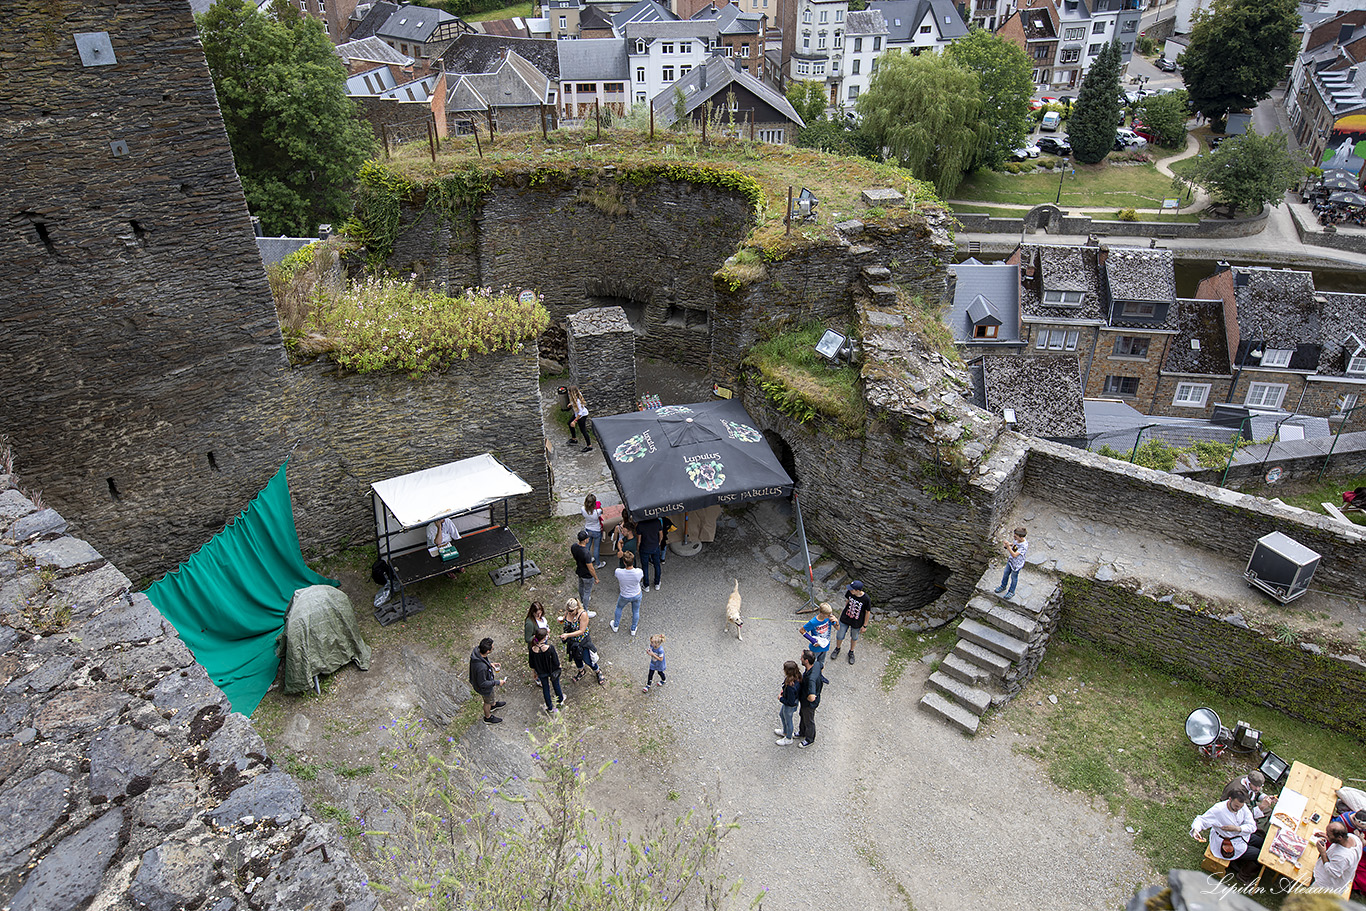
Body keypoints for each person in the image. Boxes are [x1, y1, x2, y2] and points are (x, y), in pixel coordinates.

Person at [1191, 787, 1257, 881]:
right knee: (1257, 854)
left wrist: (1237, 828)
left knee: (1261, 842)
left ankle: (1239, 862)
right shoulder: (1218, 810)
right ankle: (1243, 875)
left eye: (1240, 807)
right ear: (1230, 799)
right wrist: (1196, 830)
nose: (1238, 809)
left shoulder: (1242, 807)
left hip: (1241, 834)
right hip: (1226, 841)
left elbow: (1252, 826)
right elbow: (1202, 820)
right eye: (1236, 806)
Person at [560, 598, 604, 685]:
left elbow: (581, 631)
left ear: (576, 608)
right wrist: (561, 620)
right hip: (572, 642)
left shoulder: (583, 614)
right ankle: (581, 671)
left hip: (582, 641)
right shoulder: (568, 612)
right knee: (576, 658)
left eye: (571, 611)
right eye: (568, 611)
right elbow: (565, 621)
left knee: (588, 659)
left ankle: (598, 671)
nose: (569, 613)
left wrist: (567, 635)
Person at [1313, 821, 1363, 894]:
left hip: (1327, 886)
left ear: (1339, 837)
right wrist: (1327, 837)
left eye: (1329, 835)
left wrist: (1323, 853)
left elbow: (1333, 872)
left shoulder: (1343, 857)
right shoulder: (1353, 838)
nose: (1327, 835)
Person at [832, 581, 871, 666]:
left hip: (857, 622)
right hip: (845, 618)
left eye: (852, 589)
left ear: (857, 590)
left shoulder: (866, 599)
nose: (850, 590)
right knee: (840, 635)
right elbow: (847, 601)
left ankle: (851, 652)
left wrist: (865, 625)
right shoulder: (850, 593)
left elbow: (867, 612)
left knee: (854, 637)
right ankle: (837, 648)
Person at [468, 637, 506, 724]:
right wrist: (497, 682)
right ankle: (488, 717)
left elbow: (483, 661)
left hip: (486, 682)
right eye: (492, 647)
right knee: (487, 701)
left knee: (490, 697)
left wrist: (490, 664)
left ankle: (493, 705)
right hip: (484, 688)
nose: (493, 648)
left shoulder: (477, 652)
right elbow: (483, 683)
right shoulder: (482, 668)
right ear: (488, 651)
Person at [528, 629, 565, 715]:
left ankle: (550, 707)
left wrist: (534, 673)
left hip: (541, 672)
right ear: (544, 638)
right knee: (556, 685)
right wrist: (559, 667)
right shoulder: (550, 648)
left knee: (545, 688)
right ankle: (560, 701)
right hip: (552, 671)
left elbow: (532, 664)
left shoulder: (532, 649)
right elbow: (556, 661)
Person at [795, 649, 827, 749]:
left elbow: (812, 697)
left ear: (806, 661)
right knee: (802, 715)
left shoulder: (811, 679)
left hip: (809, 704)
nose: (800, 659)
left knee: (809, 720)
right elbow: (822, 666)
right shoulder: (816, 664)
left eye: (802, 658)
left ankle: (809, 739)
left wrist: (808, 698)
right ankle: (802, 732)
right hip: (804, 701)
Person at [612, 551, 644, 635]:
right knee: (636, 611)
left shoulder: (618, 572)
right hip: (636, 594)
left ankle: (616, 626)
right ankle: (633, 629)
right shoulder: (639, 572)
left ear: (624, 562)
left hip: (624, 595)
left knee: (619, 608)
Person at [994, 527, 1029, 598]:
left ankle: (1011, 591)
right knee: (1006, 573)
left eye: (1015, 536)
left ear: (1021, 537)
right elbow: (1014, 545)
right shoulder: (1017, 540)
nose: (1014, 537)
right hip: (1011, 561)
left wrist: (1008, 547)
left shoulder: (1024, 546)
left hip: (1017, 564)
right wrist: (1008, 545)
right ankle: (1003, 586)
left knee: (1014, 577)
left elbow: (1014, 555)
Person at [801, 602, 836, 670]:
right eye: (828, 615)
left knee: (821, 663)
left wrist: (836, 622)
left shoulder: (829, 618)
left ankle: (819, 676)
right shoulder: (813, 622)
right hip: (815, 649)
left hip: (825, 645)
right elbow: (802, 630)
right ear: (822, 614)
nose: (830, 616)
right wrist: (813, 641)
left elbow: (837, 628)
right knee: (811, 664)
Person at [774, 660, 800, 745]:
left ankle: (789, 738)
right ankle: (785, 732)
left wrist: (781, 698)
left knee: (788, 721)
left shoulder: (791, 687)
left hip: (789, 705)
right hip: (790, 702)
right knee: (782, 715)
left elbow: (790, 702)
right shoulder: (797, 677)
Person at [636, 514, 664, 592]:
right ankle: (657, 583)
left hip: (644, 548)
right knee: (657, 565)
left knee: (645, 567)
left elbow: (639, 540)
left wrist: (638, 548)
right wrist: (658, 543)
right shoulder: (657, 522)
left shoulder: (640, 525)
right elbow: (661, 535)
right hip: (655, 547)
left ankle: (646, 585)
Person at [570, 530, 598, 609]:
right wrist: (596, 578)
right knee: (587, 592)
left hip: (579, 571)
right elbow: (591, 568)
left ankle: (582, 600)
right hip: (587, 575)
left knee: (581, 587)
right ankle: (585, 610)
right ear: (585, 540)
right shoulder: (586, 553)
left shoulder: (574, 546)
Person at [581, 494, 605, 568]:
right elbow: (602, 511)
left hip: (588, 529)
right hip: (596, 530)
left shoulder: (582, 509)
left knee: (588, 546)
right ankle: (598, 564)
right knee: (596, 547)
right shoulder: (597, 511)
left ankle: (588, 560)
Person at [567, 386, 593, 453]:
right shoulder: (576, 395)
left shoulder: (578, 401)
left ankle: (589, 446)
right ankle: (574, 439)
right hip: (578, 414)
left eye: (569, 391)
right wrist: (571, 404)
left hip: (582, 415)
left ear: (572, 393)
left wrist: (575, 421)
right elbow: (574, 401)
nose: (568, 392)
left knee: (583, 430)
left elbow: (580, 412)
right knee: (569, 423)